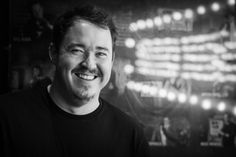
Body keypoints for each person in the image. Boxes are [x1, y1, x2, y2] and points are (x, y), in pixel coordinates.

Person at [0, 4, 150, 157]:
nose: (89, 64)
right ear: (54, 53)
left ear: (111, 61)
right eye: (77, 50)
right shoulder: (6, 116)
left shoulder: (130, 134)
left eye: (101, 54)